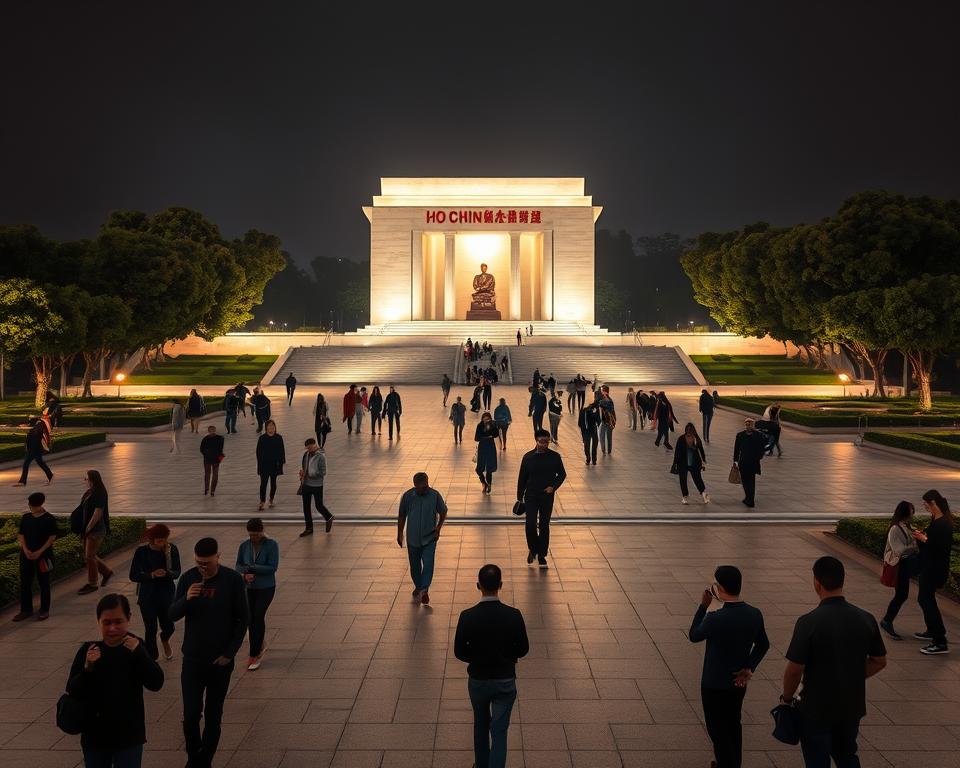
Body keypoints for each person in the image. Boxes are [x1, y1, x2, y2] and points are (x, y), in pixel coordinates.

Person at [781, 556, 886, 768]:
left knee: (817, 759)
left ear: (817, 582)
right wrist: (850, 674)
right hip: (851, 705)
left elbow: (795, 669)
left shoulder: (809, 621)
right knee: (847, 754)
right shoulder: (865, 618)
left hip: (816, 706)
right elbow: (879, 661)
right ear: (842, 581)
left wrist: (787, 698)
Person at [169, 537, 248, 768]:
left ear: (218, 557)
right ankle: (195, 758)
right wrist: (186, 598)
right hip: (193, 659)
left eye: (206, 562)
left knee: (214, 715)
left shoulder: (232, 580)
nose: (202, 567)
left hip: (220, 662)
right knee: (191, 714)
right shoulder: (188, 578)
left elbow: (243, 619)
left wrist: (230, 653)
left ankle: (204, 762)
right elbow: (172, 614)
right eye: (198, 562)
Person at [66, 593, 164, 768]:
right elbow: (73, 691)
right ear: (98, 622)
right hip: (95, 736)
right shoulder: (88, 650)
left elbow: (156, 683)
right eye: (107, 622)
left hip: (129, 736)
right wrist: (88, 669)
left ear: (128, 619)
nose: (112, 628)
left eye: (118, 622)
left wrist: (140, 654)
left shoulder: (136, 646)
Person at [689, 565, 769, 768]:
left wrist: (703, 607)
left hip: (714, 682)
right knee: (733, 725)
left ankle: (726, 764)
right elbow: (763, 644)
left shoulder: (715, 618)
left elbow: (694, 635)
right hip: (737, 682)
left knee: (717, 729)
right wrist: (749, 667)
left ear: (719, 588)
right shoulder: (754, 613)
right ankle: (731, 762)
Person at [454, 564, 529, 768]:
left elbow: (459, 652)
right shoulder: (513, 615)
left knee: (480, 724)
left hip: (478, 681)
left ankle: (481, 763)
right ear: (501, 585)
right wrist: (507, 656)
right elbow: (523, 649)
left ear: (478, 586)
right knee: (499, 731)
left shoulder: (467, 616)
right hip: (505, 680)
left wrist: (477, 658)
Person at [129, 523, 181, 661]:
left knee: (169, 626)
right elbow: (133, 575)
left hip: (166, 594)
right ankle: (152, 657)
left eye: (164, 539)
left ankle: (164, 639)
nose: (162, 543)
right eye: (159, 541)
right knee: (150, 629)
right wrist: (151, 575)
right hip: (147, 595)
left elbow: (177, 572)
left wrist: (167, 573)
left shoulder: (171, 549)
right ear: (152, 540)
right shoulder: (141, 552)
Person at [397, 472, 448, 606]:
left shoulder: (435, 495)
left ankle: (424, 589)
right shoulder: (408, 496)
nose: (424, 489)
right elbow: (402, 515)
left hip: (429, 537)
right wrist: (399, 533)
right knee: (415, 566)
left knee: (428, 563)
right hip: (412, 538)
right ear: (415, 485)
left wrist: (438, 528)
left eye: (426, 486)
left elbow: (443, 511)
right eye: (421, 487)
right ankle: (418, 585)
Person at [518, 429, 566, 568]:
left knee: (544, 526)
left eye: (546, 442)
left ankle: (542, 555)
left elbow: (562, 474)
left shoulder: (555, 457)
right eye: (541, 442)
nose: (544, 444)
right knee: (530, 524)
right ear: (536, 440)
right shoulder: (528, 457)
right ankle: (533, 549)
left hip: (547, 496)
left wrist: (553, 487)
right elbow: (522, 478)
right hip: (531, 495)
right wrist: (519, 497)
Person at [912, 489, 953, 654]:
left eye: (926, 504)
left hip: (934, 569)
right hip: (930, 567)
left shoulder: (942, 524)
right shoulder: (938, 520)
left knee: (926, 600)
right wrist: (923, 539)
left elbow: (938, 549)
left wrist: (924, 540)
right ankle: (933, 631)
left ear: (933, 503)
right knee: (925, 600)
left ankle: (940, 641)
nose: (925, 506)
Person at [236, 518, 279, 671]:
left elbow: (272, 567)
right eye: (251, 535)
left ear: (262, 531)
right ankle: (259, 642)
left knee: (258, 615)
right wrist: (244, 574)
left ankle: (254, 654)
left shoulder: (271, 544)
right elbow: (238, 565)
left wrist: (252, 568)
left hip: (266, 587)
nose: (254, 537)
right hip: (250, 587)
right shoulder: (244, 545)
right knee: (250, 618)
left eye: (256, 534)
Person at [13, 491, 57, 622]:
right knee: (25, 582)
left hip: (43, 556)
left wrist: (39, 551)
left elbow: (52, 537)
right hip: (26, 555)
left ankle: (44, 609)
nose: (31, 507)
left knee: (44, 582)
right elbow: (21, 534)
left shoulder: (49, 518)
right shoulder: (26, 517)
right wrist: (25, 550)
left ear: (40, 504)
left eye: (32, 505)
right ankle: (26, 609)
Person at [879, 501, 920, 640]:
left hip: (904, 566)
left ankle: (887, 620)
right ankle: (887, 620)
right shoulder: (895, 529)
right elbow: (899, 550)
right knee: (901, 595)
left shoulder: (905, 526)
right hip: (899, 566)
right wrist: (914, 547)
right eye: (911, 511)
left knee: (902, 595)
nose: (913, 514)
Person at [77, 469, 113, 595]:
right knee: (90, 555)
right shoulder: (90, 492)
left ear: (92, 479)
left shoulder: (100, 493)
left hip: (96, 529)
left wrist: (88, 527)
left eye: (86, 478)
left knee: (89, 556)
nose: (85, 481)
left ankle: (92, 583)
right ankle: (107, 572)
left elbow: (98, 513)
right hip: (87, 528)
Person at [299, 438, 334, 535]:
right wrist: (302, 473)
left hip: (317, 485)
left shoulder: (321, 457)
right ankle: (309, 528)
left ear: (315, 445)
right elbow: (304, 467)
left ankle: (329, 517)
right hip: (306, 484)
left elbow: (323, 472)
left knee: (319, 505)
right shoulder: (306, 455)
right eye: (307, 448)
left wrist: (312, 474)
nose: (309, 450)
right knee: (306, 507)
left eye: (311, 448)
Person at [732, 418, 767, 508]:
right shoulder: (740, 435)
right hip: (743, 461)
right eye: (747, 424)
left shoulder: (759, 436)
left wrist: (759, 456)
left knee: (751, 481)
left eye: (750, 424)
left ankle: (750, 500)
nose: (748, 426)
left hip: (753, 462)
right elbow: (736, 449)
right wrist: (735, 461)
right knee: (745, 481)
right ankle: (748, 497)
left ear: (753, 425)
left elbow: (763, 446)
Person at [673, 423, 710, 505]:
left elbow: (701, 450)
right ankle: (686, 496)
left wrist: (703, 460)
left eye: (690, 431)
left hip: (692, 463)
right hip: (685, 463)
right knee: (686, 479)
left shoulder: (694, 438)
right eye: (688, 431)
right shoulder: (683, 438)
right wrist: (675, 463)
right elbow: (677, 452)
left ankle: (701, 494)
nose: (689, 432)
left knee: (696, 479)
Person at [12, 417, 53, 487]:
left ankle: (22, 481)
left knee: (26, 464)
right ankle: (50, 475)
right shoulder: (38, 426)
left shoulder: (38, 427)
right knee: (41, 463)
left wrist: (31, 449)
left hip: (34, 450)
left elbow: (35, 439)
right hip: (36, 450)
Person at [254, 419, 285, 511]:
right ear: (266, 427)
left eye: (273, 425)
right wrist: (259, 465)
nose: (271, 427)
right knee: (263, 483)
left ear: (275, 427)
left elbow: (282, 451)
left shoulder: (279, 437)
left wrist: (281, 463)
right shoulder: (262, 438)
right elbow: (258, 452)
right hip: (264, 464)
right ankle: (262, 501)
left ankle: (271, 499)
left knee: (273, 483)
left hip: (275, 464)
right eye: (269, 426)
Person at [475, 412, 499, 494]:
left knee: (489, 469)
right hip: (482, 447)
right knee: (479, 469)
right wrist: (485, 435)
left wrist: (492, 428)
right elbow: (476, 438)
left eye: (487, 419)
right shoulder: (480, 426)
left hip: (490, 447)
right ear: (482, 419)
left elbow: (496, 434)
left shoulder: (493, 425)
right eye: (484, 419)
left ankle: (489, 485)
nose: (486, 421)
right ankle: (484, 483)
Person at [200, 425, 224, 497]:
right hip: (208, 459)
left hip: (215, 459)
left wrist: (219, 459)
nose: (212, 432)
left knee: (214, 475)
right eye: (211, 430)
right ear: (208, 431)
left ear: (215, 430)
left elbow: (220, 450)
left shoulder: (220, 438)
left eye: (213, 430)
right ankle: (207, 489)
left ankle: (212, 490)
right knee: (208, 474)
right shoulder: (205, 439)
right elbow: (202, 449)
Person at [578, 400, 601, 466]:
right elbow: (598, 421)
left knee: (586, 445)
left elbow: (579, 423)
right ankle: (594, 460)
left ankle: (588, 458)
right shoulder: (595, 410)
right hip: (593, 430)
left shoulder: (582, 410)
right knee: (594, 445)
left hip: (585, 431)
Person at [598, 385, 616, 454]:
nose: (601, 392)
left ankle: (605, 450)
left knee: (604, 436)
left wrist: (601, 405)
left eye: (602, 390)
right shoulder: (605, 399)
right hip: (607, 421)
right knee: (606, 436)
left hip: (607, 421)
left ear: (605, 392)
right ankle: (606, 450)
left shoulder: (608, 400)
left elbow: (610, 409)